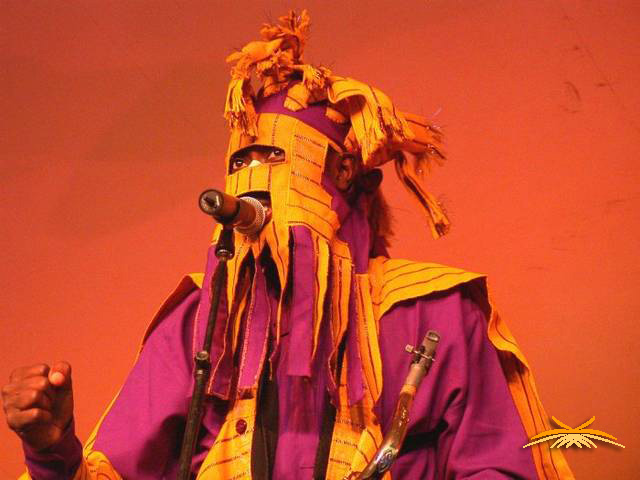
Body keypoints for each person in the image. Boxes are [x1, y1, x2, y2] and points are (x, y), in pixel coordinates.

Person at [2, 10, 573, 480]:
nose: (251, 179)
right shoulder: (199, 320)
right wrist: (53, 452)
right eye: (241, 161)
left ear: (343, 172)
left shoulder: (434, 313)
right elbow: (118, 471)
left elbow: (499, 464)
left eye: (273, 157)